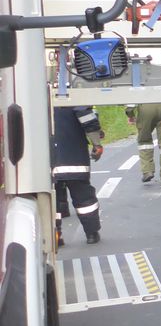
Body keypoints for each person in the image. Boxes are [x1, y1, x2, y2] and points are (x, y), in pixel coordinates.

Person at [52, 105, 105, 245]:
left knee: (52, 200)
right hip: (74, 158)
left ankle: (56, 236)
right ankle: (91, 233)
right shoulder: (72, 98)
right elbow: (88, 119)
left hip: (48, 162)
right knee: (84, 198)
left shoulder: (35, 98)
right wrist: (97, 144)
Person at [126, 102, 161, 186]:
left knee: (144, 141)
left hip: (145, 107)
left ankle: (147, 171)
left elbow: (131, 99)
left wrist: (130, 114)